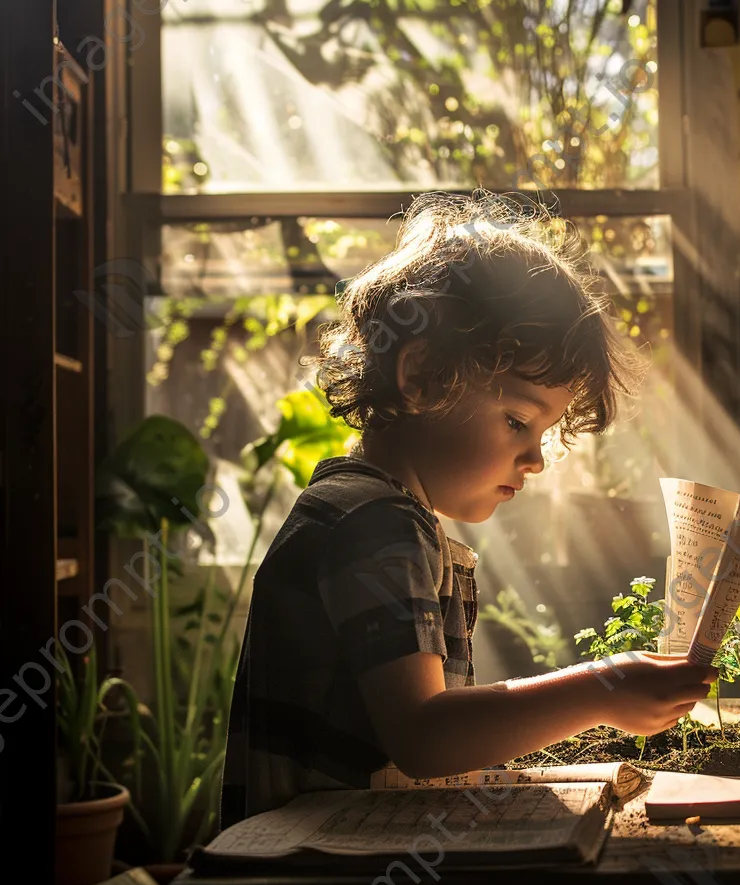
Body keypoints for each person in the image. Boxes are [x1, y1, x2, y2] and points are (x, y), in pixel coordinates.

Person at [220, 191, 712, 829]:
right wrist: (603, 688)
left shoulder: (369, 510)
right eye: (516, 421)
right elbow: (425, 737)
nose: (535, 459)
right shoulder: (374, 524)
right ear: (421, 375)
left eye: (544, 434)